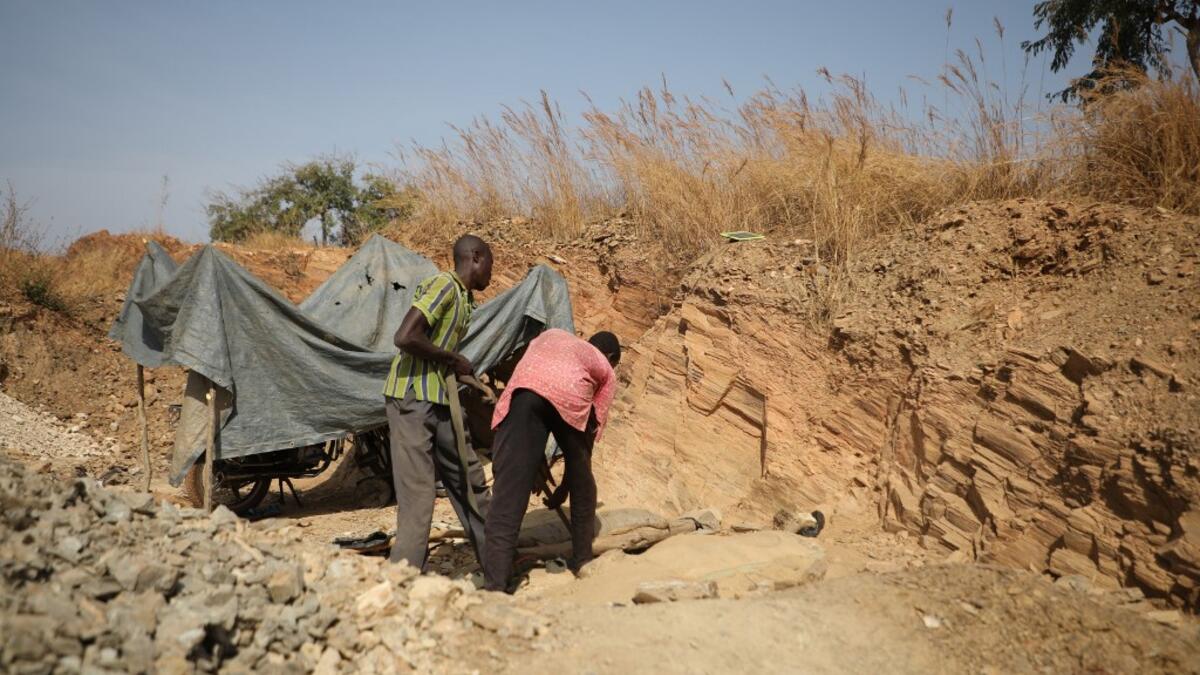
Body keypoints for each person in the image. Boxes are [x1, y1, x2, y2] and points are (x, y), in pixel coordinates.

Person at [383, 234, 493, 569]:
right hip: (412, 398)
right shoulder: (444, 286)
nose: (492, 271)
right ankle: (402, 580)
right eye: (490, 261)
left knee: (468, 477)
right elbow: (405, 337)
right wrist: (453, 359)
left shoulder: (464, 298)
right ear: (475, 257)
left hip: (441, 398)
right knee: (418, 493)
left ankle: (498, 563)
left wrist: (461, 372)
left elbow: (436, 353)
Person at [482, 328, 620, 592]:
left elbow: (530, 389)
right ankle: (582, 561)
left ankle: (495, 586)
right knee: (585, 486)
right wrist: (567, 488)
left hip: (525, 390)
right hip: (570, 396)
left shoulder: (552, 336)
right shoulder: (604, 366)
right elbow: (582, 450)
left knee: (508, 496)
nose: (612, 367)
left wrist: (531, 464)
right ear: (610, 356)